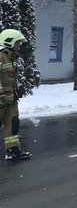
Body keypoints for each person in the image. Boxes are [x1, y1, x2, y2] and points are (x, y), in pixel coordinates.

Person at [0, 29, 32, 160]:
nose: (19, 45)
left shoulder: (12, 57)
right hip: (1, 99)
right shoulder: (1, 56)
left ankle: (13, 149)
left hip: (11, 99)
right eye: (17, 42)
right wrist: (1, 94)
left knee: (13, 123)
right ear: (9, 41)